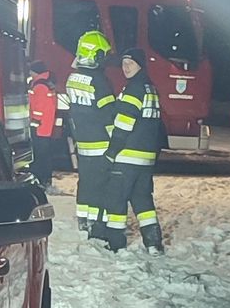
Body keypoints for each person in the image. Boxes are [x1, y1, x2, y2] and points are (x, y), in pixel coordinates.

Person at [96, 46, 164, 253]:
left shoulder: (133, 89)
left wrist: (111, 152)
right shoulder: (150, 88)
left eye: (130, 63)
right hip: (145, 159)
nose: (125, 67)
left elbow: (124, 124)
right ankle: (153, 244)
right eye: (123, 63)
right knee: (143, 201)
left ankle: (115, 243)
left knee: (115, 199)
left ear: (140, 65)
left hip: (127, 156)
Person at [64, 30, 116, 235]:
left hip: (83, 143)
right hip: (101, 143)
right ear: (96, 55)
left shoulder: (72, 78)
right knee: (101, 185)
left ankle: (83, 219)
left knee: (85, 183)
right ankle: (98, 223)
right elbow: (109, 115)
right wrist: (117, 142)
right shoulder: (100, 82)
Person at [27, 62, 67, 188]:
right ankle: (46, 178)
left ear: (35, 72)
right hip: (46, 126)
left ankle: (41, 178)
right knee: (45, 153)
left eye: (31, 72)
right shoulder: (47, 83)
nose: (29, 74)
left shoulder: (39, 85)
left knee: (40, 154)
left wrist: (34, 121)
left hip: (39, 126)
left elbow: (38, 107)